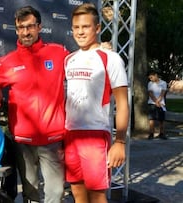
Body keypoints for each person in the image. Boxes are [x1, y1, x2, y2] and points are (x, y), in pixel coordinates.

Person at [0, 5, 69, 203]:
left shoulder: (58, 53)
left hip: (52, 138)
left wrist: (98, 50)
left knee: (55, 192)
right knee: (30, 192)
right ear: (16, 29)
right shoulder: (9, 61)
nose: (25, 32)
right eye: (21, 28)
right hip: (23, 139)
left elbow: (80, 62)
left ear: (39, 27)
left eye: (30, 26)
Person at [64, 3, 129, 203]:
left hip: (95, 134)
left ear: (98, 28)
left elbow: (122, 103)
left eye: (86, 27)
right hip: (70, 134)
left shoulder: (111, 58)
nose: (80, 32)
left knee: (97, 194)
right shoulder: (69, 59)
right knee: (77, 191)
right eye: (76, 27)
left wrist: (120, 141)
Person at [147, 70, 168, 140]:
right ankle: (151, 134)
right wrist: (156, 102)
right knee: (151, 119)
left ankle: (161, 133)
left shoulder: (163, 83)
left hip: (161, 103)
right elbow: (150, 93)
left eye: (151, 77)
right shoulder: (150, 83)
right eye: (150, 78)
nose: (151, 79)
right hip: (152, 103)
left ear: (156, 75)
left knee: (161, 119)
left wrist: (159, 101)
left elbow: (163, 93)